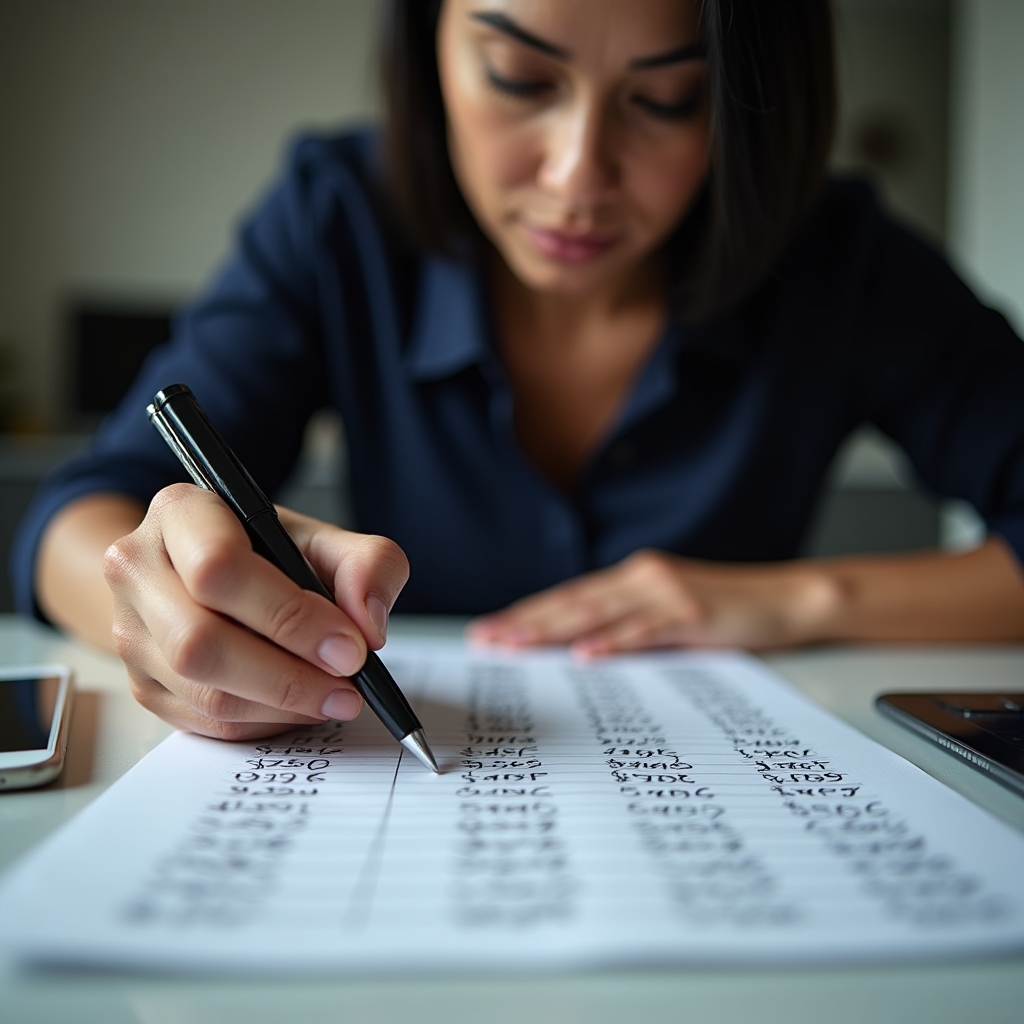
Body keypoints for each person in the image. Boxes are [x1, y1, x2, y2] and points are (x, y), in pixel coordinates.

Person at [13, 0, 1024, 742]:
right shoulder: (338, 217)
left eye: (668, 100)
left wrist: (796, 601)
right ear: (429, 49)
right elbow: (80, 512)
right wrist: (171, 602)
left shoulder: (841, 261)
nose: (578, 175)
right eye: (520, 79)